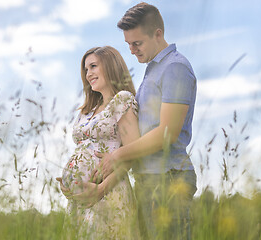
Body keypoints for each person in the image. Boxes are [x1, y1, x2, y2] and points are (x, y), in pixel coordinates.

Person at [86, 2, 197, 240]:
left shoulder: (174, 67)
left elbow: (166, 134)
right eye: (128, 44)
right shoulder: (153, 68)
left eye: (137, 43)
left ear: (158, 34)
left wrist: (117, 156)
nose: (132, 50)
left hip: (168, 178)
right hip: (151, 178)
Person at [57, 46, 141, 239]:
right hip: (82, 200)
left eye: (93, 66)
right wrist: (70, 182)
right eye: (86, 70)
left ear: (111, 66)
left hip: (108, 193)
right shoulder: (88, 109)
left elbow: (133, 153)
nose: (88, 74)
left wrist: (101, 189)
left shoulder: (121, 100)